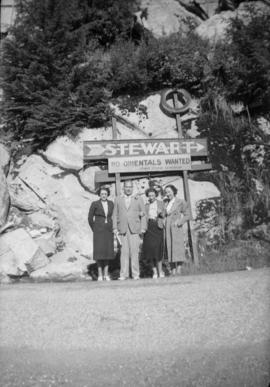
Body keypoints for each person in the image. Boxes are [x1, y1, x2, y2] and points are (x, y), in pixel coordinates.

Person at [113, 180, 147, 280]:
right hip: (122, 229)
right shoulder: (118, 199)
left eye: (130, 187)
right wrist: (114, 227)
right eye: (126, 187)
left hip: (134, 229)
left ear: (132, 188)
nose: (128, 189)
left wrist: (143, 228)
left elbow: (144, 214)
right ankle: (123, 275)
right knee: (123, 253)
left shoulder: (138, 199)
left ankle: (135, 274)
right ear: (123, 188)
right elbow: (114, 214)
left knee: (134, 252)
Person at [88, 186, 114, 281]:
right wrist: (94, 228)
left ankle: (106, 274)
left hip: (108, 231)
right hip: (98, 231)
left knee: (107, 253)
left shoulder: (111, 204)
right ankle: (99, 274)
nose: (104, 195)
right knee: (99, 253)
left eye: (105, 194)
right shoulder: (95, 204)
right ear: (99, 194)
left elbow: (114, 216)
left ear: (108, 195)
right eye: (102, 194)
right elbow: (90, 218)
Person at [164, 184, 190, 275]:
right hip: (166, 228)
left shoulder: (180, 201)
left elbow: (188, 215)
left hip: (176, 228)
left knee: (178, 248)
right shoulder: (166, 202)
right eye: (166, 192)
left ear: (174, 191)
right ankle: (172, 270)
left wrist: (179, 222)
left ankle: (179, 269)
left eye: (169, 192)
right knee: (169, 247)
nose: (167, 194)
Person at [143, 188, 165, 279]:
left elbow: (164, 215)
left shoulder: (161, 203)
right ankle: (154, 272)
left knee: (158, 250)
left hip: (158, 227)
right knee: (150, 251)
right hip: (149, 227)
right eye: (149, 195)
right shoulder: (146, 205)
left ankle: (160, 271)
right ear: (147, 196)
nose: (151, 197)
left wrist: (161, 213)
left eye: (153, 195)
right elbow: (143, 216)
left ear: (156, 195)